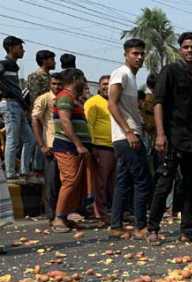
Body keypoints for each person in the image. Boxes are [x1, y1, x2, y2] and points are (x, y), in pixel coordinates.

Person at [148, 32, 192, 244]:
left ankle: (188, 229)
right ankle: (153, 229)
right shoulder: (170, 71)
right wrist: (160, 134)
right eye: (186, 47)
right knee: (164, 183)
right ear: (180, 50)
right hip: (172, 136)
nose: (190, 51)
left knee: (189, 186)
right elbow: (158, 102)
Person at [107, 38, 152, 240]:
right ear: (126, 54)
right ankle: (141, 226)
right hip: (126, 137)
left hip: (130, 134)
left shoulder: (132, 78)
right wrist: (128, 131)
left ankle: (116, 226)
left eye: (142, 54)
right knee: (143, 181)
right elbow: (112, 105)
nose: (139, 57)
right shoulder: (121, 73)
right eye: (135, 53)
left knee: (123, 181)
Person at [51, 68, 92, 233]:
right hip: (67, 146)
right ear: (76, 79)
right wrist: (78, 144)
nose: (85, 82)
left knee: (74, 183)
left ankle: (66, 216)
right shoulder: (65, 97)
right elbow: (65, 122)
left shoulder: (73, 99)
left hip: (74, 147)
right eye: (82, 78)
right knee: (69, 181)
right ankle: (59, 218)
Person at [0, 36, 36, 183]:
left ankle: (24, 171)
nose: (23, 50)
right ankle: (10, 173)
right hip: (9, 105)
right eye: (20, 47)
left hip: (17, 105)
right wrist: (4, 91)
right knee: (12, 139)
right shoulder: (4, 64)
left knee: (30, 139)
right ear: (11, 47)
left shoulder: (13, 66)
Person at [32, 73, 63, 225]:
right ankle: (51, 215)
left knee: (63, 182)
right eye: (54, 84)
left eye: (59, 84)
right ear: (50, 84)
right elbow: (35, 120)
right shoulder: (44, 98)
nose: (57, 87)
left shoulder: (65, 98)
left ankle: (62, 214)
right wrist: (42, 145)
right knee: (51, 182)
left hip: (65, 145)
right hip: (51, 145)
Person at [84, 75, 114, 225]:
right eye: (103, 84)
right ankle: (100, 214)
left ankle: (113, 213)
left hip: (115, 146)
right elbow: (88, 124)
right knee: (100, 183)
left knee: (113, 183)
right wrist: (92, 146)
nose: (106, 87)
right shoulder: (93, 102)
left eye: (109, 84)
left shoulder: (116, 101)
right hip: (101, 147)